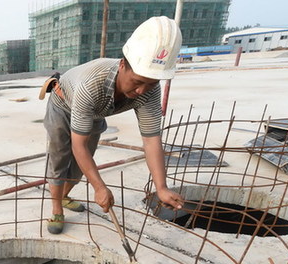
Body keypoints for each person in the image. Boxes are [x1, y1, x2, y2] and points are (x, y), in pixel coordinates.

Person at [40, 16, 185, 234]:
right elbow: (77, 146)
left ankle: (65, 194)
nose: (141, 91)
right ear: (123, 65)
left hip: (94, 113)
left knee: (81, 167)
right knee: (59, 158)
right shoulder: (92, 84)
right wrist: (99, 188)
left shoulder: (149, 91)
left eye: (150, 83)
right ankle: (56, 208)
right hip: (63, 104)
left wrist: (161, 187)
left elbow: (151, 140)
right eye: (137, 82)